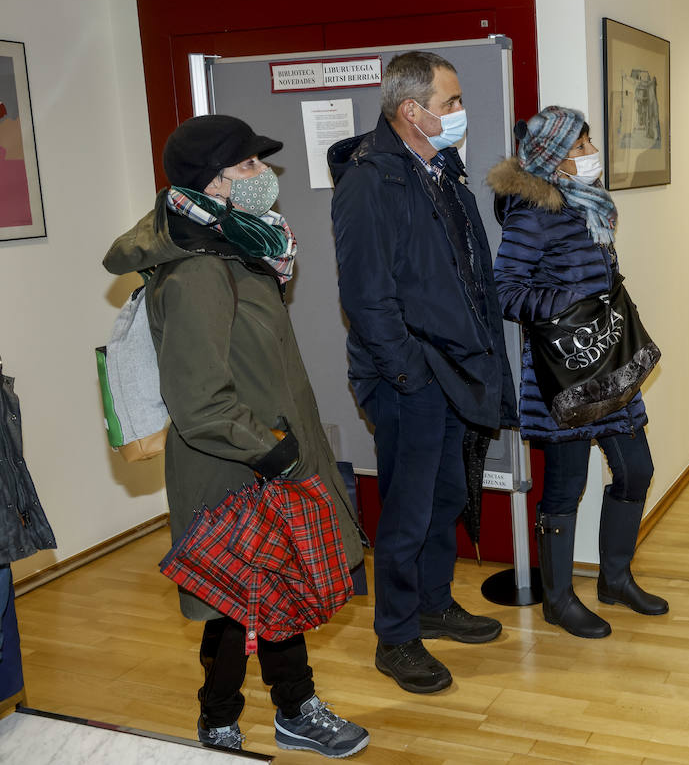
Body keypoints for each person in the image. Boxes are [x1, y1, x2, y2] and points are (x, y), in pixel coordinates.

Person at [103, 115, 369, 757]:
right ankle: (220, 722)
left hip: (267, 451)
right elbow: (198, 401)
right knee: (235, 601)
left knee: (278, 586)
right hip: (233, 463)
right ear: (213, 182)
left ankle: (292, 707)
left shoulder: (238, 248)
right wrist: (273, 453)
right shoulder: (195, 272)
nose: (263, 177)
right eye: (248, 166)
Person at [329, 51, 515, 694]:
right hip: (408, 377)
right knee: (407, 511)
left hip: (451, 369)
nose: (462, 114)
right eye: (452, 103)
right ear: (412, 111)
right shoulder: (369, 181)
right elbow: (366, 296)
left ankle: (435, 603)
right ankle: (397, 636)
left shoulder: (441, 170)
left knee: (443, 498)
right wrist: (409, 373)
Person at [488, 106, 667, 639]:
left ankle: (615, 580)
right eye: (582, 145)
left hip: (608, 361)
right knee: (565, 488)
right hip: (562, 375)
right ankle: (560, 600)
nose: (592, 154)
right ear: (553, 155)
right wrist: (569, 298)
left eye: (590, 143)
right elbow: (505, 292)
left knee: (635, 469)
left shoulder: (588, 204)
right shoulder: (530, 213)